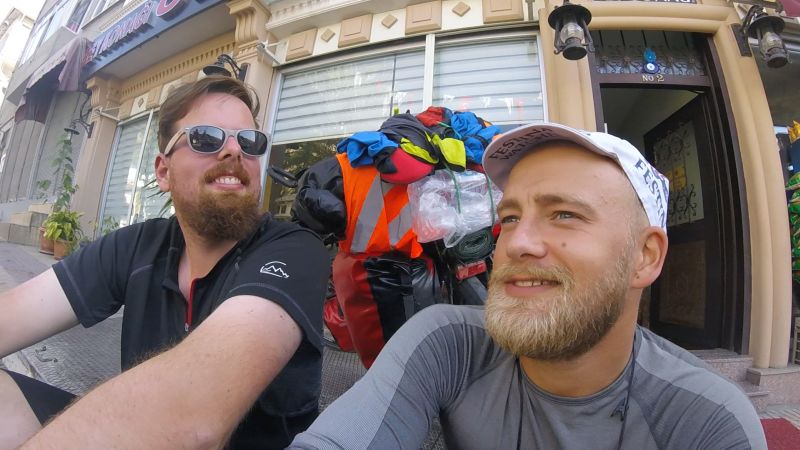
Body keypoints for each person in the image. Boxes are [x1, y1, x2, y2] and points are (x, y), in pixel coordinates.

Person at [289, 122, 767, 449]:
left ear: (645, 257)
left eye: (565, 214)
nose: (516, 243)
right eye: (511, 217)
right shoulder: (448, 344)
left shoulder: (705, 421)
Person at [0, 75, 330, 449]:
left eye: (249, 142)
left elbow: (193, 414)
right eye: (206, 138)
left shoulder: (296, 251)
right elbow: (14, 314)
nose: (234, 152)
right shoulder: (137, 246)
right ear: (163, 171)